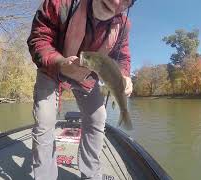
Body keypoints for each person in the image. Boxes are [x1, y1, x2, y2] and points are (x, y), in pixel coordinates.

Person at [27, 0, 135, 179]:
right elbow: (39, 39)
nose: (116, 2)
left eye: (125, 1)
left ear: (129, 5)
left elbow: (122, 57)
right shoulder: (60, 3)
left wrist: (124, 75)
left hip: (87, 75)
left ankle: (91, 175)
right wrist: (59, 63)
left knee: (98, 117)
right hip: (52, 68)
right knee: (44, 122)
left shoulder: (123, 25)